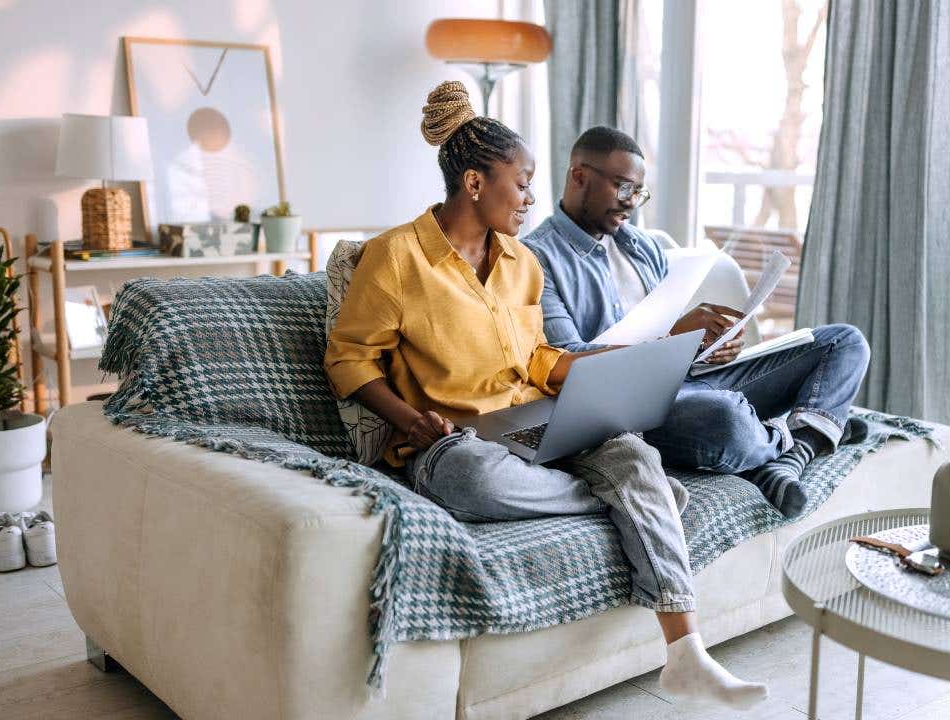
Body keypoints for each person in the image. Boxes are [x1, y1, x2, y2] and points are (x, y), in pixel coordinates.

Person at [324, 82, 767, 710]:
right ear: (475, 184)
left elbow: (533, 358)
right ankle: (634, 503)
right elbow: (348, 359)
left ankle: (685, 652)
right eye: (523, 182)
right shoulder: (395, 257)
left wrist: (597, 369)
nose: (533, 198)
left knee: (634, 455)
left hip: (539, 415)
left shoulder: (520, 263)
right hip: (455, 440)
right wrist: (409, 420)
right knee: (475, 482)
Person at [522, 126, 870, 518]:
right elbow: (565, 363)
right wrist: (672, 339)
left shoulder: (643, 247)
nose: (631, 203)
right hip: (628, 409)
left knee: (844, 342)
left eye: (639, 192)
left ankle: (789, 455)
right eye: (623, 189)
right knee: (726, 419)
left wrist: (708, 346)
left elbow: (672, 339)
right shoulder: (535, 259)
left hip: (690, 382)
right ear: (579, 175)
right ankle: (810, 434)